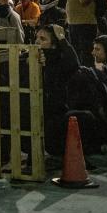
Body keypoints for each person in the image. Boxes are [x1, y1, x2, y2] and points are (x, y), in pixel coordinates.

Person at [35, 25, 80, 155]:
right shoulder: (32, 58)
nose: (37, 42)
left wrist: (62, 39)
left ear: (54, 45)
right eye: (36, 38)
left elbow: (73, 64)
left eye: (43, 39)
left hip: (55, 115)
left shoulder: (60, 62)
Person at [57, 0, 100, 66]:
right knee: (75, 54)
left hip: (86, 23)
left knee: (86, 56)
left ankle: (89, 78)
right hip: (72, 22)